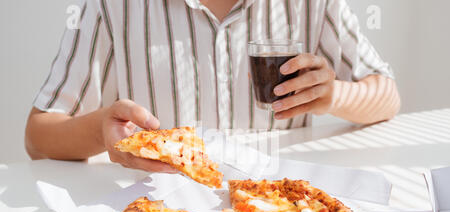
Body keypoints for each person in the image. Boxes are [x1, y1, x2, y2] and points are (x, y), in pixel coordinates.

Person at [25, 0, 401, 173]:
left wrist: (333, 94)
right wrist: (100, 128)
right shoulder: (113, 6)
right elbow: (37, 136)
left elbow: (388, 97)